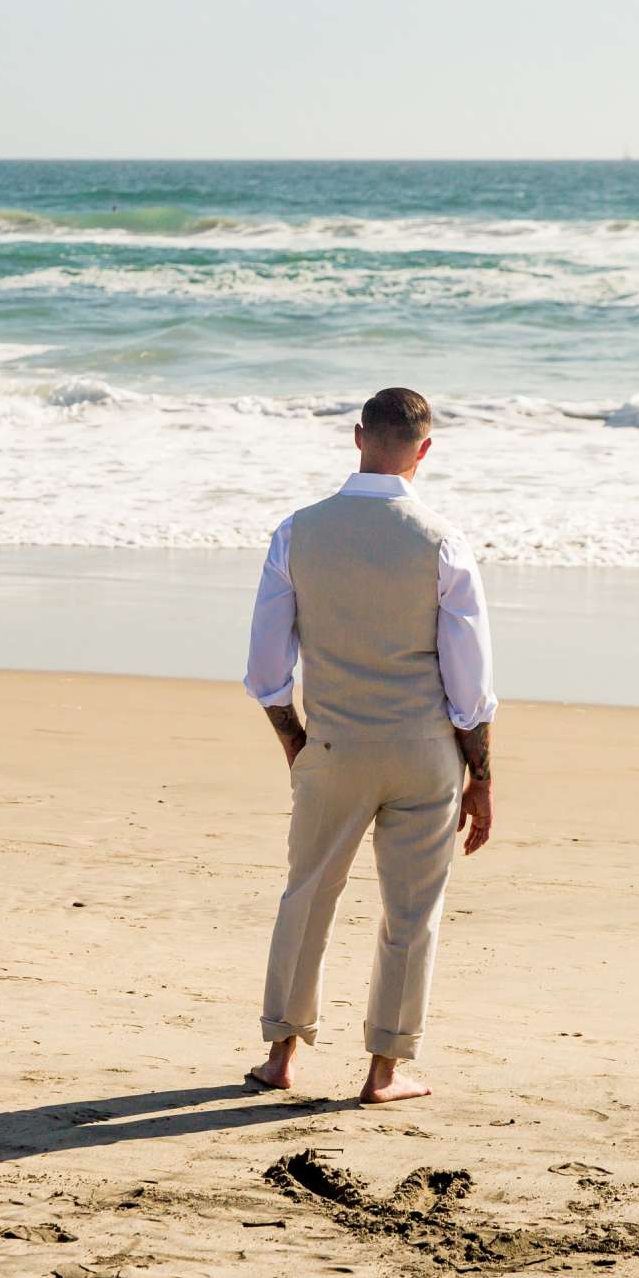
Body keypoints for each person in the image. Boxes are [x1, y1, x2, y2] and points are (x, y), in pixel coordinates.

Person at [241, 387, 497, 1104]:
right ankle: (385, 1071)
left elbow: (266, 669)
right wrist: (481, 776)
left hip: (333, 745)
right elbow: (470, 683)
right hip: (424, 752)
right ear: (425, 450)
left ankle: (281, 1056)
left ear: (358, 437)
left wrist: (296, 742)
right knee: (411, 912)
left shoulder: (298, 532)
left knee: (307, 897)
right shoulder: (441, 540)